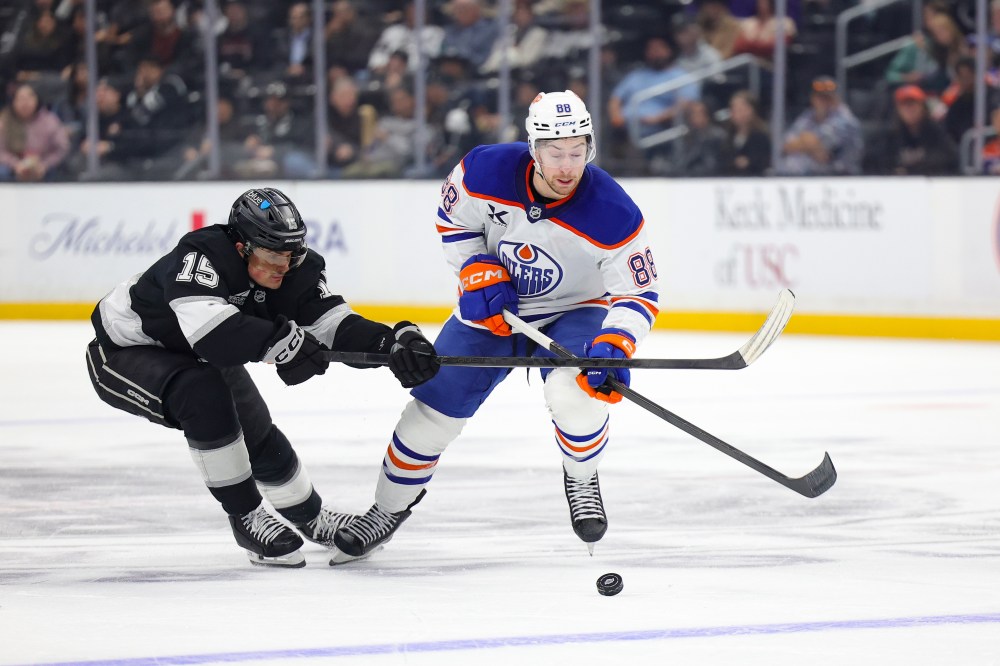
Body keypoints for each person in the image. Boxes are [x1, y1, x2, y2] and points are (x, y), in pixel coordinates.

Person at [332, 91, 660, 560]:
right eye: (555, 152)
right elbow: (454, 220)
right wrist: (473, 267)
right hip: (493, 309)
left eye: (577, 151)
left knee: (576, 393)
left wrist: (616, 341)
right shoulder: (484, 170)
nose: (567, 167)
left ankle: (582, 475)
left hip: (575, 310)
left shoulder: (613, 211)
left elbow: (638, 293)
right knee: (431, 412)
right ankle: (386, 509)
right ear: (533, 147)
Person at [85, 188, 440, 567]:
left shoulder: (295, 269)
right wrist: (281, 342)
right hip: (124, 352)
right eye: (272, 255)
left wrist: (391, 343)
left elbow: (332, 325)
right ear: (241, 248)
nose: (282, 266)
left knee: (255, 431)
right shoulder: (200, 255)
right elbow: (213, 335)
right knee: (202, 395)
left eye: (290, 254)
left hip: (197, 353)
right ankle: (246, 517)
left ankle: (312, 518)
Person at [776, 76, 863, 176]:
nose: (823, 101)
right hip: (809, 175)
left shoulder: (846, 119)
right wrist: (809, 145)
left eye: (828, 98)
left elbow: (823, 151)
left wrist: (804, 143)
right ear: (812, 98)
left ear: (836, 98)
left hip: (841, 176)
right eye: (820, 97)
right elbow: (786, 145)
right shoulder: (808, 115)